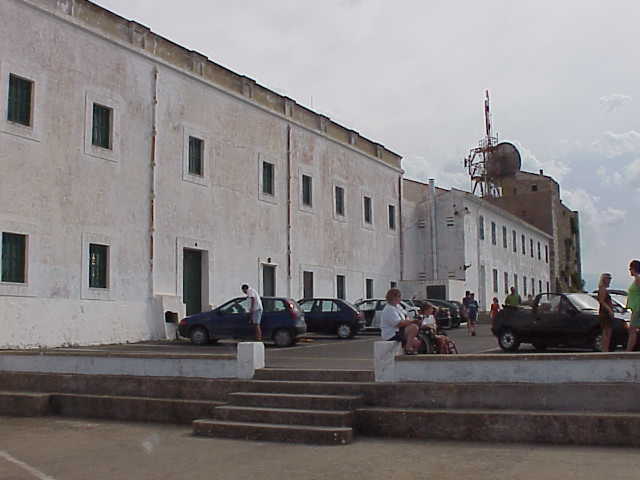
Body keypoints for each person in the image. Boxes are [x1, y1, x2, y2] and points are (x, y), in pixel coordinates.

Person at [381, 288, 420, 354]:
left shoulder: (398, 307)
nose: (400, 298)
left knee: (417, 342)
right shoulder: (389, 309)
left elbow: (405, 317)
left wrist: (411, 320)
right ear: (393, 297)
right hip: (392, 333)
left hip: (399, 331)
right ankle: (408, 348)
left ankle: (409, 355)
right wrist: (412, 322)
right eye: (399, 296)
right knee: (414, 327)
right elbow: (398, 324)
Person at [597, 273, 614, 352]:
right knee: (606, 331)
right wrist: (609, 310)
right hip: (605, 313)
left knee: (608, 331)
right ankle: (605, 349)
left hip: (606, 312)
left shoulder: (604, 289)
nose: (609, 281)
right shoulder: (602, 289)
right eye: (608, 279)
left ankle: (606, 348)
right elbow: (602, 301)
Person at [626, 260, 640, 352]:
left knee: (632, 329)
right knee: (633, 329)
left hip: (637, 307)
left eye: (630, 269)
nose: (629, 271)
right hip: (635, 308)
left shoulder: (638, 279)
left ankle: (628, 351)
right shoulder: (636, 279)